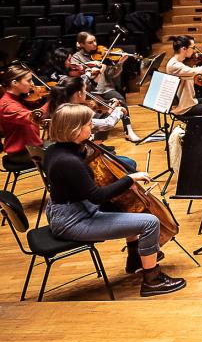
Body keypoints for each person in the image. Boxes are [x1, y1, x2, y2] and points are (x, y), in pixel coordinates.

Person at [43, 103, 185, 296]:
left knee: (125, 205)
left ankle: (135, 259)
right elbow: (96, 195)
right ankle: (152, 280)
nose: (91, 126)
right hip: (74, 220)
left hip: (67, 209)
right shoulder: (69, 162)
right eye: (87, 124)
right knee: (150, 222)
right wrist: (129, 179)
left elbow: (82, 187)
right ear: (75, 130)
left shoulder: (55, 150)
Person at [45, 78, 138, 172]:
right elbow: (106, 124)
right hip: (82, 156)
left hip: (71, 153)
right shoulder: (74, 113)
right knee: (130, 163)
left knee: (124, 161)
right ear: (79, 94)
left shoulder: (58, 108)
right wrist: (119, 111)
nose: (87, 94)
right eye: (85, 91)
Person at [67, 31, 141, 142]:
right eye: (90, 42)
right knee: (96, 105)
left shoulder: (103, 54)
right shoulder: (76, 58)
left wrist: (120, 63)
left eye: (95, 41)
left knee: (120, 99)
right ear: (81, 44)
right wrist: (90, 69)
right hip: (89, 90)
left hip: (106, 88)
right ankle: (96, 136)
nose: (95, 44)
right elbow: (78, 76)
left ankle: (128, 131)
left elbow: (112, 74)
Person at [166, 36, 202, 118]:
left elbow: (200, 77)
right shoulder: (174, 66)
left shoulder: (182, 64)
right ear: (183, 49)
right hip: (184, 108)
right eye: (192, 47)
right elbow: (195, 72)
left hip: (191, 102)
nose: (194, 51)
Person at [0, 63, 45, 161]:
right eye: (29, 80)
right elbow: (33, 117)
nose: (32, 84)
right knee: (64, 154)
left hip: (33, 147)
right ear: (14, 83)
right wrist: (53, 100)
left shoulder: (21, 98)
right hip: (22, 152)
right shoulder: (7, 105)